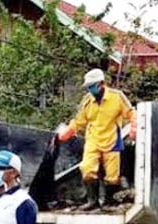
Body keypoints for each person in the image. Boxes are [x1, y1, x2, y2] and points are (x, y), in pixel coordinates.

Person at [57, 68, 136, 210]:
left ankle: (109, 202)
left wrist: (134, 128)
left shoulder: (117, 97)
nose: (89, 89)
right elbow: (79, 121)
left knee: (112, 174)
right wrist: (67, 132)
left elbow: (131, 113)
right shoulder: (87, 101)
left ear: (101, 84)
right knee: (87, 168)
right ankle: (92, 201)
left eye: (91, 86)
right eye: (88, 87)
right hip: (93, 139)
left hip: (112, 139)